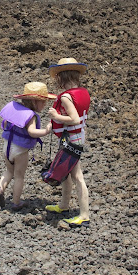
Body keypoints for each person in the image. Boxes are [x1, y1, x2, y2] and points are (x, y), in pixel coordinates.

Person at [45, 58, 91, 227]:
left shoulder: (66, 97)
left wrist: (56, 116)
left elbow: (74, 119)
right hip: (78, 135)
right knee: (66, 172)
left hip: (71, 138)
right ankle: (64, 205)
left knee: (77, 176)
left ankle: (84, 215)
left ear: (61, 77)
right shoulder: (83, 92)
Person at [0, 82, 55, 210]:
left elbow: (5, 124)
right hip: (20, 151)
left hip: (7, 146)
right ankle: (16, 202)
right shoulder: (31, 116)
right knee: (19, 176)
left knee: (9, 171)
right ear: (34, 102)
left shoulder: (15, 109)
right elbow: (32, 132)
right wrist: (46, 131)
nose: (45, 105)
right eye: (43, 102)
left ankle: (0, 189)